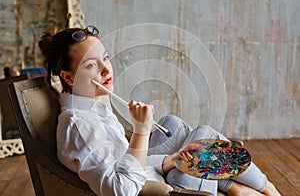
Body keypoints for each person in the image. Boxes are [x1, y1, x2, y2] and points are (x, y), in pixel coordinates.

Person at [38, 25, 280, 196]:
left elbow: (122, 161)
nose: (105, 69)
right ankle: (266, 189)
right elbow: (122, 190)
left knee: (172, 125)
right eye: (91, 65)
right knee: (204, 133)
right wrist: (141, 131)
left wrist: (168, 161)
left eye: (105, 58)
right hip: (166, 191)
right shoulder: (80, 127)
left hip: (153, 177)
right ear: (68, 77)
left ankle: (230, 186)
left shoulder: (91, 108)